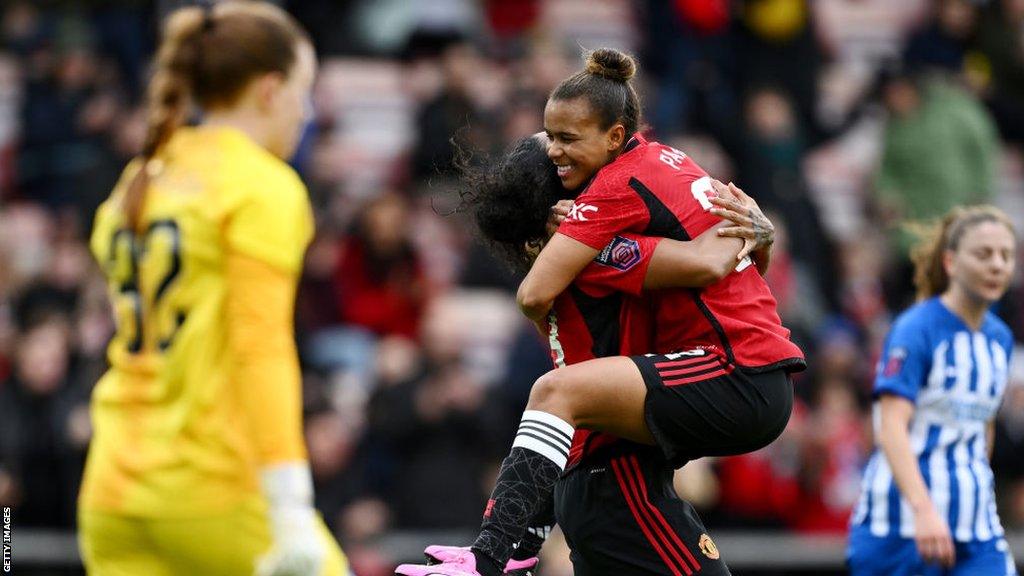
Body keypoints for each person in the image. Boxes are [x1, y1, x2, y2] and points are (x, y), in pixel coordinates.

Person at [399, 47, 803, 576]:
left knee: (555, 391)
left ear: (614, 136)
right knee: (561, 396)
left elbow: (534, 294)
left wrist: (573, 239)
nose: (559, 152)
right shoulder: (666, 163)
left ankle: (493, 554)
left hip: (733, 376)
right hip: (667, 433)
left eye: (567, 138)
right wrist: (759, 234)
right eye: (552, 140)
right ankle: (509, 547)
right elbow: (710, 261)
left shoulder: (608, 206)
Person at [78, 3, 348, 575]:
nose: (307, 111)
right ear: (270, 90)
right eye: (305, 89)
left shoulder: (142, 174)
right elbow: (260, 348)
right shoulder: (260, 186)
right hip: (213, 489)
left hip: (111, 492)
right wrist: (291, 504)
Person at [848, 205, 1019, 576]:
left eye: (1006, 256)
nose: (997, 265)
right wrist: (924, 510)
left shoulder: (1000, 338)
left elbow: (983, 427)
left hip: (975, 526)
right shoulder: (917, 328)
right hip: (899, 525)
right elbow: (890, 425)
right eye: (984, 254)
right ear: (951, 262)